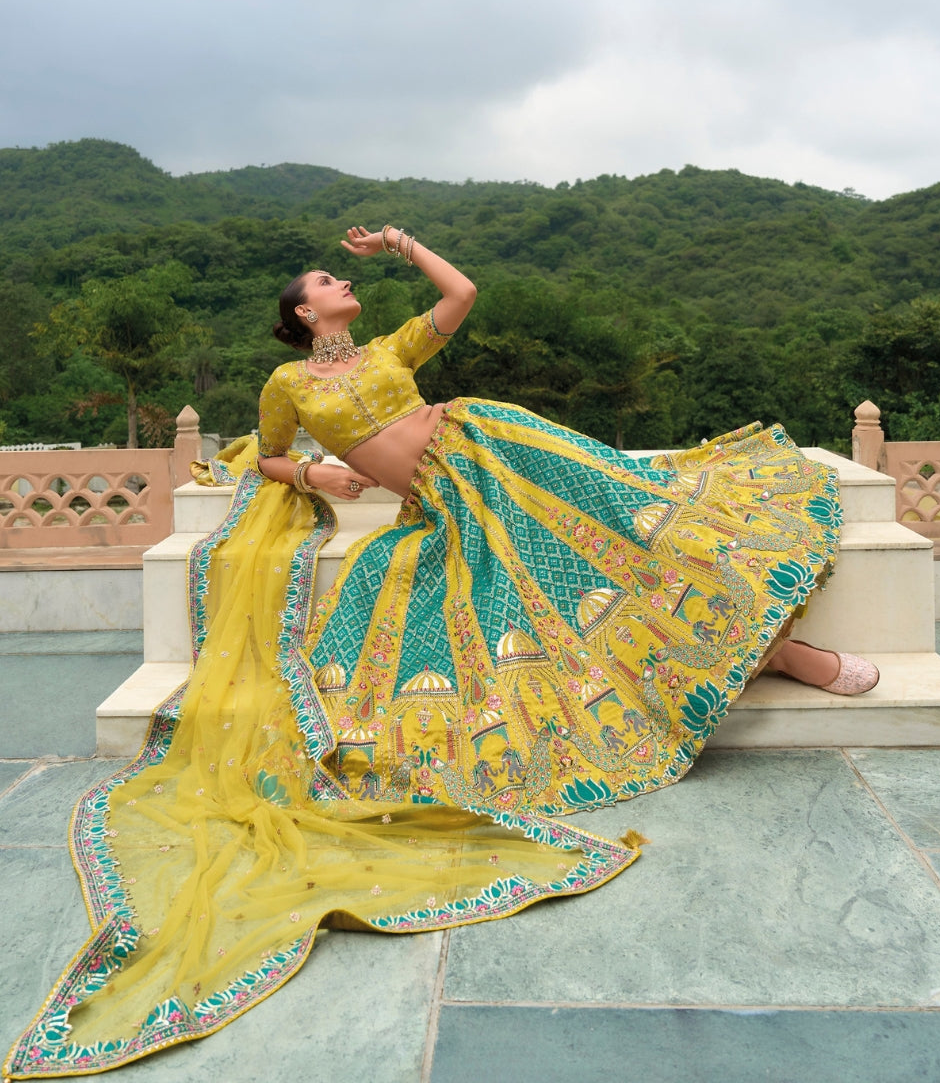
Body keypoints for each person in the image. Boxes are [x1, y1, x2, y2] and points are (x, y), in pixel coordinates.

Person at [6, 227, 877, 1080]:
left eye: (339, 280)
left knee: (626, 547)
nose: (341, 289)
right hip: (441, 504)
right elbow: (269, 458)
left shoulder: (391, 347)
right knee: (540, 599)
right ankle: (771, 658)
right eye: (325, 283)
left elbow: (460, 296)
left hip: (496, 451)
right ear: (302, 313)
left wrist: (402, 245)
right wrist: (317, 477)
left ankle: (780, 650)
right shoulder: (285, 382)